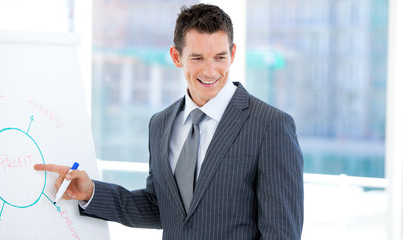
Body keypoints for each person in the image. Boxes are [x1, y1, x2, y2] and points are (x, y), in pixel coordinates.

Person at [34, 3, 304, 239]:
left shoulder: (271, 125)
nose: (211, 71)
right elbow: (159, 207)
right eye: (197, 58)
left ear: (232, 54)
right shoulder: (161, 124)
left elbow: (281, 232)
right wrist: (91, 191)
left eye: (220, 57)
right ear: (177, 57)